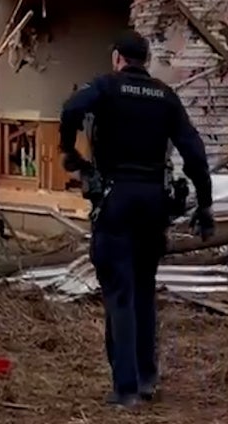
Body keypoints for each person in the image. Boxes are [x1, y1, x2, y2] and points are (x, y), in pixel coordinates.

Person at [59, 30, 215, 408]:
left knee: (120, 294)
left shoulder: (106, 87)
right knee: (144, 289)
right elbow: (194, 152)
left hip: (116, 201)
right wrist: (205, 205)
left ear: (117, 58)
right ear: (145, 60)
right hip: (153, 204)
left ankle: (126, 388)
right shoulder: (165, 96)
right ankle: (146, 378)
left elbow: (70, 110)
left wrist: (71, 153)